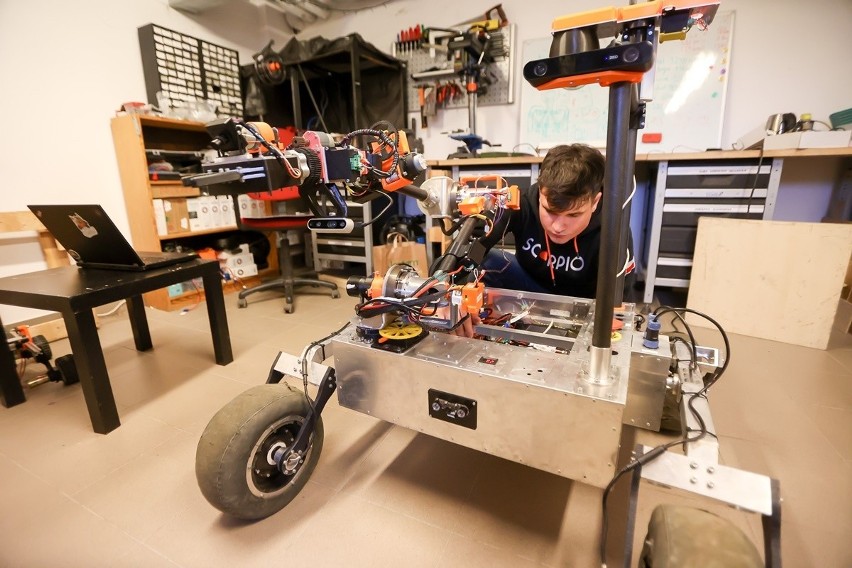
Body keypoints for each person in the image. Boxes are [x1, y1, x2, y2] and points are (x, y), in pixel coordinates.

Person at [479, 143, 635, 299]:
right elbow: (471, 248)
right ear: (541, 192)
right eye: (550, 211)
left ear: (595, 202)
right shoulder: (521, 201)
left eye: (573, 215)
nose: (558, 227)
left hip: (582, 305)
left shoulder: (613, 227)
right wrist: (461, 300)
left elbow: (620, 304)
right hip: (530, 290)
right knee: (487, 259)